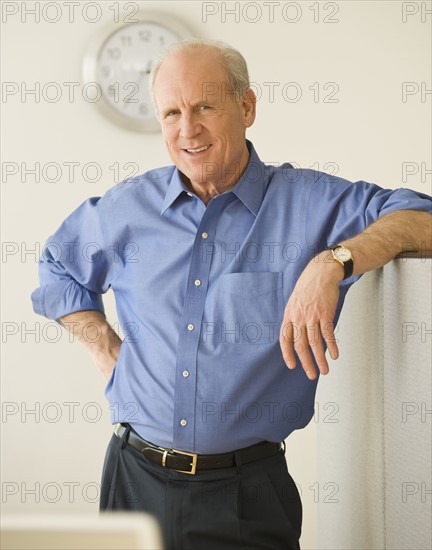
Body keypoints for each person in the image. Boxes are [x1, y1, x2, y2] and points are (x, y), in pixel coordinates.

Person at [31, 39, 431, 549]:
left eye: (204, 107)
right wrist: (104, 347)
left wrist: (334, 261)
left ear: (247, 107)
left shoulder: (310, 203)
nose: (187, 129)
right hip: (132, 478)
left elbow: (421, 216)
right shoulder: (126, 209)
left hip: (247, 494)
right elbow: (57, 266)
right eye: (171, 113)